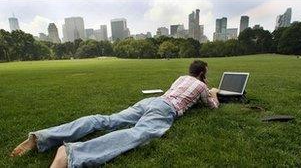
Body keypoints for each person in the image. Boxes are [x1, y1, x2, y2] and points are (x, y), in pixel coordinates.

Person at [10, 60, 220, 168]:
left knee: (108, 120)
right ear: (202, 73)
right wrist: (213, 92)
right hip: (165, 109)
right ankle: (72, 153)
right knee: (139, 133)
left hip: (150, 102)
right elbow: (212, 106)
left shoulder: (181, 78)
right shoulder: (201, 86)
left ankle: (41, 138)